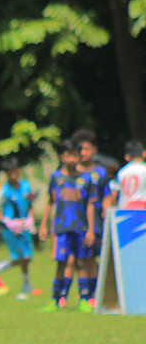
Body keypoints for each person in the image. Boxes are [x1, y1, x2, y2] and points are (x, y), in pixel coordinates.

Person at [38, 139, 97, 312]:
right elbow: (50, 201)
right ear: (62, 156)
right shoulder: (57, 177)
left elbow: (91, 205)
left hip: (81, 228)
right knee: (61, 263)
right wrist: (44, 225)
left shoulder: (86, 178)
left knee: (82, 262)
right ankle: (55, 300)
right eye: (68, 155)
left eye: (75, 155)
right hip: (62, 228)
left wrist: (91, 229)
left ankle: (84, 299)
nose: (72, 159)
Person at [0, 157, 37, 299]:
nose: (13, 174)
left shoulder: (26, 186)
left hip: (24, 225)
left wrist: (30, 218)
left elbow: (29, 204)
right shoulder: (3, 190)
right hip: (11, 228)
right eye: (9, 172)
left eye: (15, 171)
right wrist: (6, 221)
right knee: (23, 256)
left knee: (26, 258)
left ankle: (1, 268)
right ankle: (25, 283)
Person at [72, 129, 107, 305]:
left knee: (90, 258)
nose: (83, 153)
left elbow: (107, 195)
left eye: (87, 149)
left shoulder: (100, 172)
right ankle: (86, 293)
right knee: (79, 260)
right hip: (74, 222)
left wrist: (106, 208)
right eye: (80, 149)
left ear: (94, 149)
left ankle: (93, 294)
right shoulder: (71, 172)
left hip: (95, 224)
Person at [107, 140, 146, 210]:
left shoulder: (121, 172)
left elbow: (113, 194)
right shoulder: (144, 169)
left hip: (124, 211)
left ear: (127, 157)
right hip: (142, 211)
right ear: (144, 153)